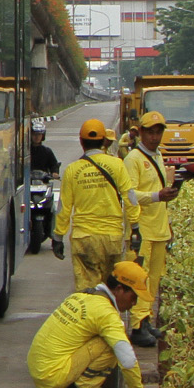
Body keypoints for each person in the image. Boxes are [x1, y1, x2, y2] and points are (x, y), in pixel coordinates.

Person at [27, 259, 151, 388]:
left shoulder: (82, 296)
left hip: (39, 368)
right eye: (133, 297)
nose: (134, 303)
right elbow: (128, 359)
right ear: (119, 289)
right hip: (53, 374)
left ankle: (75, 386)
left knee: (107, 335)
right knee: (112, 343)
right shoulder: (105, 313)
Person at [52, 118, 138, 292]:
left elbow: (63, 208)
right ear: (103, 140)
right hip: (112, 239)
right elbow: (130, 197)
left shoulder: (72, 170)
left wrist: (58, 237)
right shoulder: (117, 165)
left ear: (81, 142)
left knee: (87, 292)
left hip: (84, 240)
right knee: (111, 291)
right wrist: (135, 227)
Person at [122, 113, 181, 346]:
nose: (155, 137)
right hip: (142, 230)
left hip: (159, 228)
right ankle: (137, 326)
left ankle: (145, 319)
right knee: (139, 278)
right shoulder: (133, 159)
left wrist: (167, 219)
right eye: (150, 132)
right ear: (141, 133)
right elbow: (129, 195)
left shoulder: (158, 156)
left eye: (158, 132)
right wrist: (157, 196)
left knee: (154, 279)